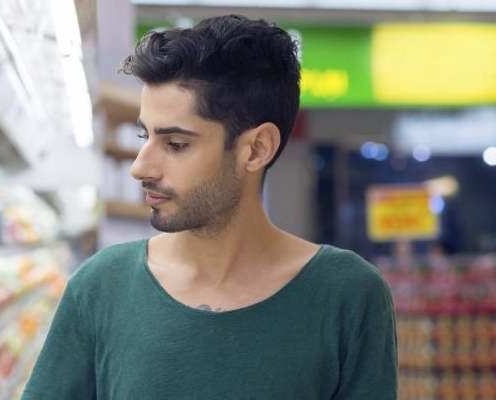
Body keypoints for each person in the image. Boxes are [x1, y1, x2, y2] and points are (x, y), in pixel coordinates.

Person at [21, 14, 396, 400]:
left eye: (176, 144)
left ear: (256, 149)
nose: (140, 167)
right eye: (143, 136)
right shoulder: (100, 285)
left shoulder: (348, 295)